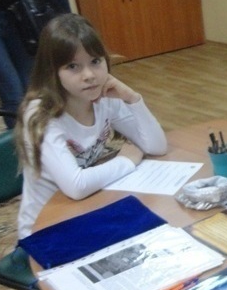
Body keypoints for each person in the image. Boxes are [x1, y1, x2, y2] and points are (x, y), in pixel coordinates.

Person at [14, 13, 167, 240]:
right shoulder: (40, 114)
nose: (89, 76)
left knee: (159, 229)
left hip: (86, 209)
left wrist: (133, 99)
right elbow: (76, 186)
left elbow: (156, 146)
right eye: (73, 66)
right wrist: (126, 161)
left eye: (95, 62)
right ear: (52, 72)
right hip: (44, 230)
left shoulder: (104, 96)